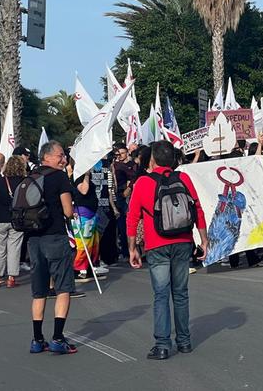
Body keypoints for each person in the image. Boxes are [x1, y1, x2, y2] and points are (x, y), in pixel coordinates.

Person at [127, 140, 208, 360]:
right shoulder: (183, 178)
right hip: (183, 241)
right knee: (181, 294)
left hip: (157, 245)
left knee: (161, 295)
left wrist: (132, 248)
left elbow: (133, 217)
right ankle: (184, 341)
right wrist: (204, 240)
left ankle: (162, 345)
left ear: (152, 159)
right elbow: (197, 208)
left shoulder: (143, 182)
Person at [27, 141, 78, 354]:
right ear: (47, 156)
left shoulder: (30, 178)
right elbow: (67, 211)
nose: (63, 159)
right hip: (55, 237)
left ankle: (37, 339)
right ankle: (58, 337)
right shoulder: (58, 177)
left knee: (39, 291)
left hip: (33, 240)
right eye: (60, 155)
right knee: (63, 287)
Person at [70, 161, 108, 282]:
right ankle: (77, 270)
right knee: (83, 244)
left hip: (91, 212)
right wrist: (86, 175)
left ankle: (90, 267)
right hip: (83, 213)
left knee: (93, 244)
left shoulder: (86, 177)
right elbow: (84, 190)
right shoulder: (77, 177)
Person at [0, 154, 27, 288]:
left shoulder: (1, 180)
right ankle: (11, 278)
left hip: (0, 218)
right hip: (17, 219)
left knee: (0, 248)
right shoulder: (25, 182)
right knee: (14, 247)